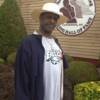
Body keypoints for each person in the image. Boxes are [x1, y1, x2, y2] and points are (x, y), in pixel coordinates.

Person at [15, 2, 68, 100]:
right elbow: (21, 78)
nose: (52, 21)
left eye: (55, 18)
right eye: (48, 17)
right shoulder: (28, 43)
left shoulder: (56, 43)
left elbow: (61, 69)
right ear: (40, 18)